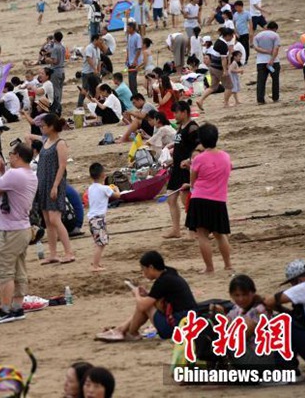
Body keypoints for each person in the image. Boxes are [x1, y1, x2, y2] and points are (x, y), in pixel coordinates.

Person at [0, 142, 37, 325]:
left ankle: (5, 310)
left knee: (5, 272)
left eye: (11, 154)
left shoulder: (15, 174)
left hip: (10, 231)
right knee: (19, 270)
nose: (10, 157)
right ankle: (17, 307)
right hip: (22, 228)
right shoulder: (30, 175)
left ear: (18, 156)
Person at [95, 250, 197, 342]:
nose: (143, 273)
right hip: (188, 322)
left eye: (143, 269)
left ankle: (130, 332)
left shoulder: (163, 281)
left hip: (175, 327)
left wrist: (136, 294)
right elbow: (160, 299)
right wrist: (146, 295)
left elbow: (142, 306)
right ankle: (121, 330)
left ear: (151, 267)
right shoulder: (170, 273)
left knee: (144, 306)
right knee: (146, 303)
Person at [183, 123, 232, 274]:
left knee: (202, 235)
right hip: (219, 199)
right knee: (220, 235)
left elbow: (193, 181)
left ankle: (209, 267)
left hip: (200, 199)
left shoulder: (199, 159)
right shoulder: (225, 156)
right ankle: (228, 265)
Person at [33, 114, 74, 264]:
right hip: (43, 184)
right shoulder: (46, 141)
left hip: (54, 183)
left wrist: (55, 185)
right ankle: (53, 254)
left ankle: (69, 252)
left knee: (55, 219)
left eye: (43, 125)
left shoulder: (60, 143)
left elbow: (62, 166)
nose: (41, 127)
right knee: (47, 221)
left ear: (51, 126)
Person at [163, 101, 198, 238]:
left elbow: (198, 148)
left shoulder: (193, 128)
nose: (174, 115)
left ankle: (195, 229)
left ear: (184, 112)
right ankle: (176, 229)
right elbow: (179, 146)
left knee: (186, 201)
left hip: (186, 169)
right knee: (171, 198)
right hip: (176, 168)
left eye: (176, 112)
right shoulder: (180, 127)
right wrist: (172, 159)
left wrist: (189, 161)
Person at [87, 163, 120, 273]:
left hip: (92, 219)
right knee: (101, 243)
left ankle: (96, 262)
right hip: (98, 219)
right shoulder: (104, 188)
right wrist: (116, 189)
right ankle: (95, 266)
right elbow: (117, 196)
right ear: (103, 175)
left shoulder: (90, 188)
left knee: (100, 242)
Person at [253, 21, 281, 104]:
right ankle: (275, 98)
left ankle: (260, 99)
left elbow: (256, 48)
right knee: (275, 79)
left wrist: (265, 51)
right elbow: (276, 49)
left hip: (261, 62)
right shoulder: (275, 35)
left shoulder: (258, 36)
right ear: (275, 29)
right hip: (273, 63)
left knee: (261, 81)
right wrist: (271, 60)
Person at [125, 22, 143, 93]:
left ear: (132, 28)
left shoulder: (137, 36)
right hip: (130, 60)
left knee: (132, 79)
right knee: (130, 79)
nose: (127, 29)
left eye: (128, 28)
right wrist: (127, 58)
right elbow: (128, 48)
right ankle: (133, 93)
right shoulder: (129, 36)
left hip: (134, 61)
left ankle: (134, 93)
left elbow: (139, 49)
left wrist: (135, 60)